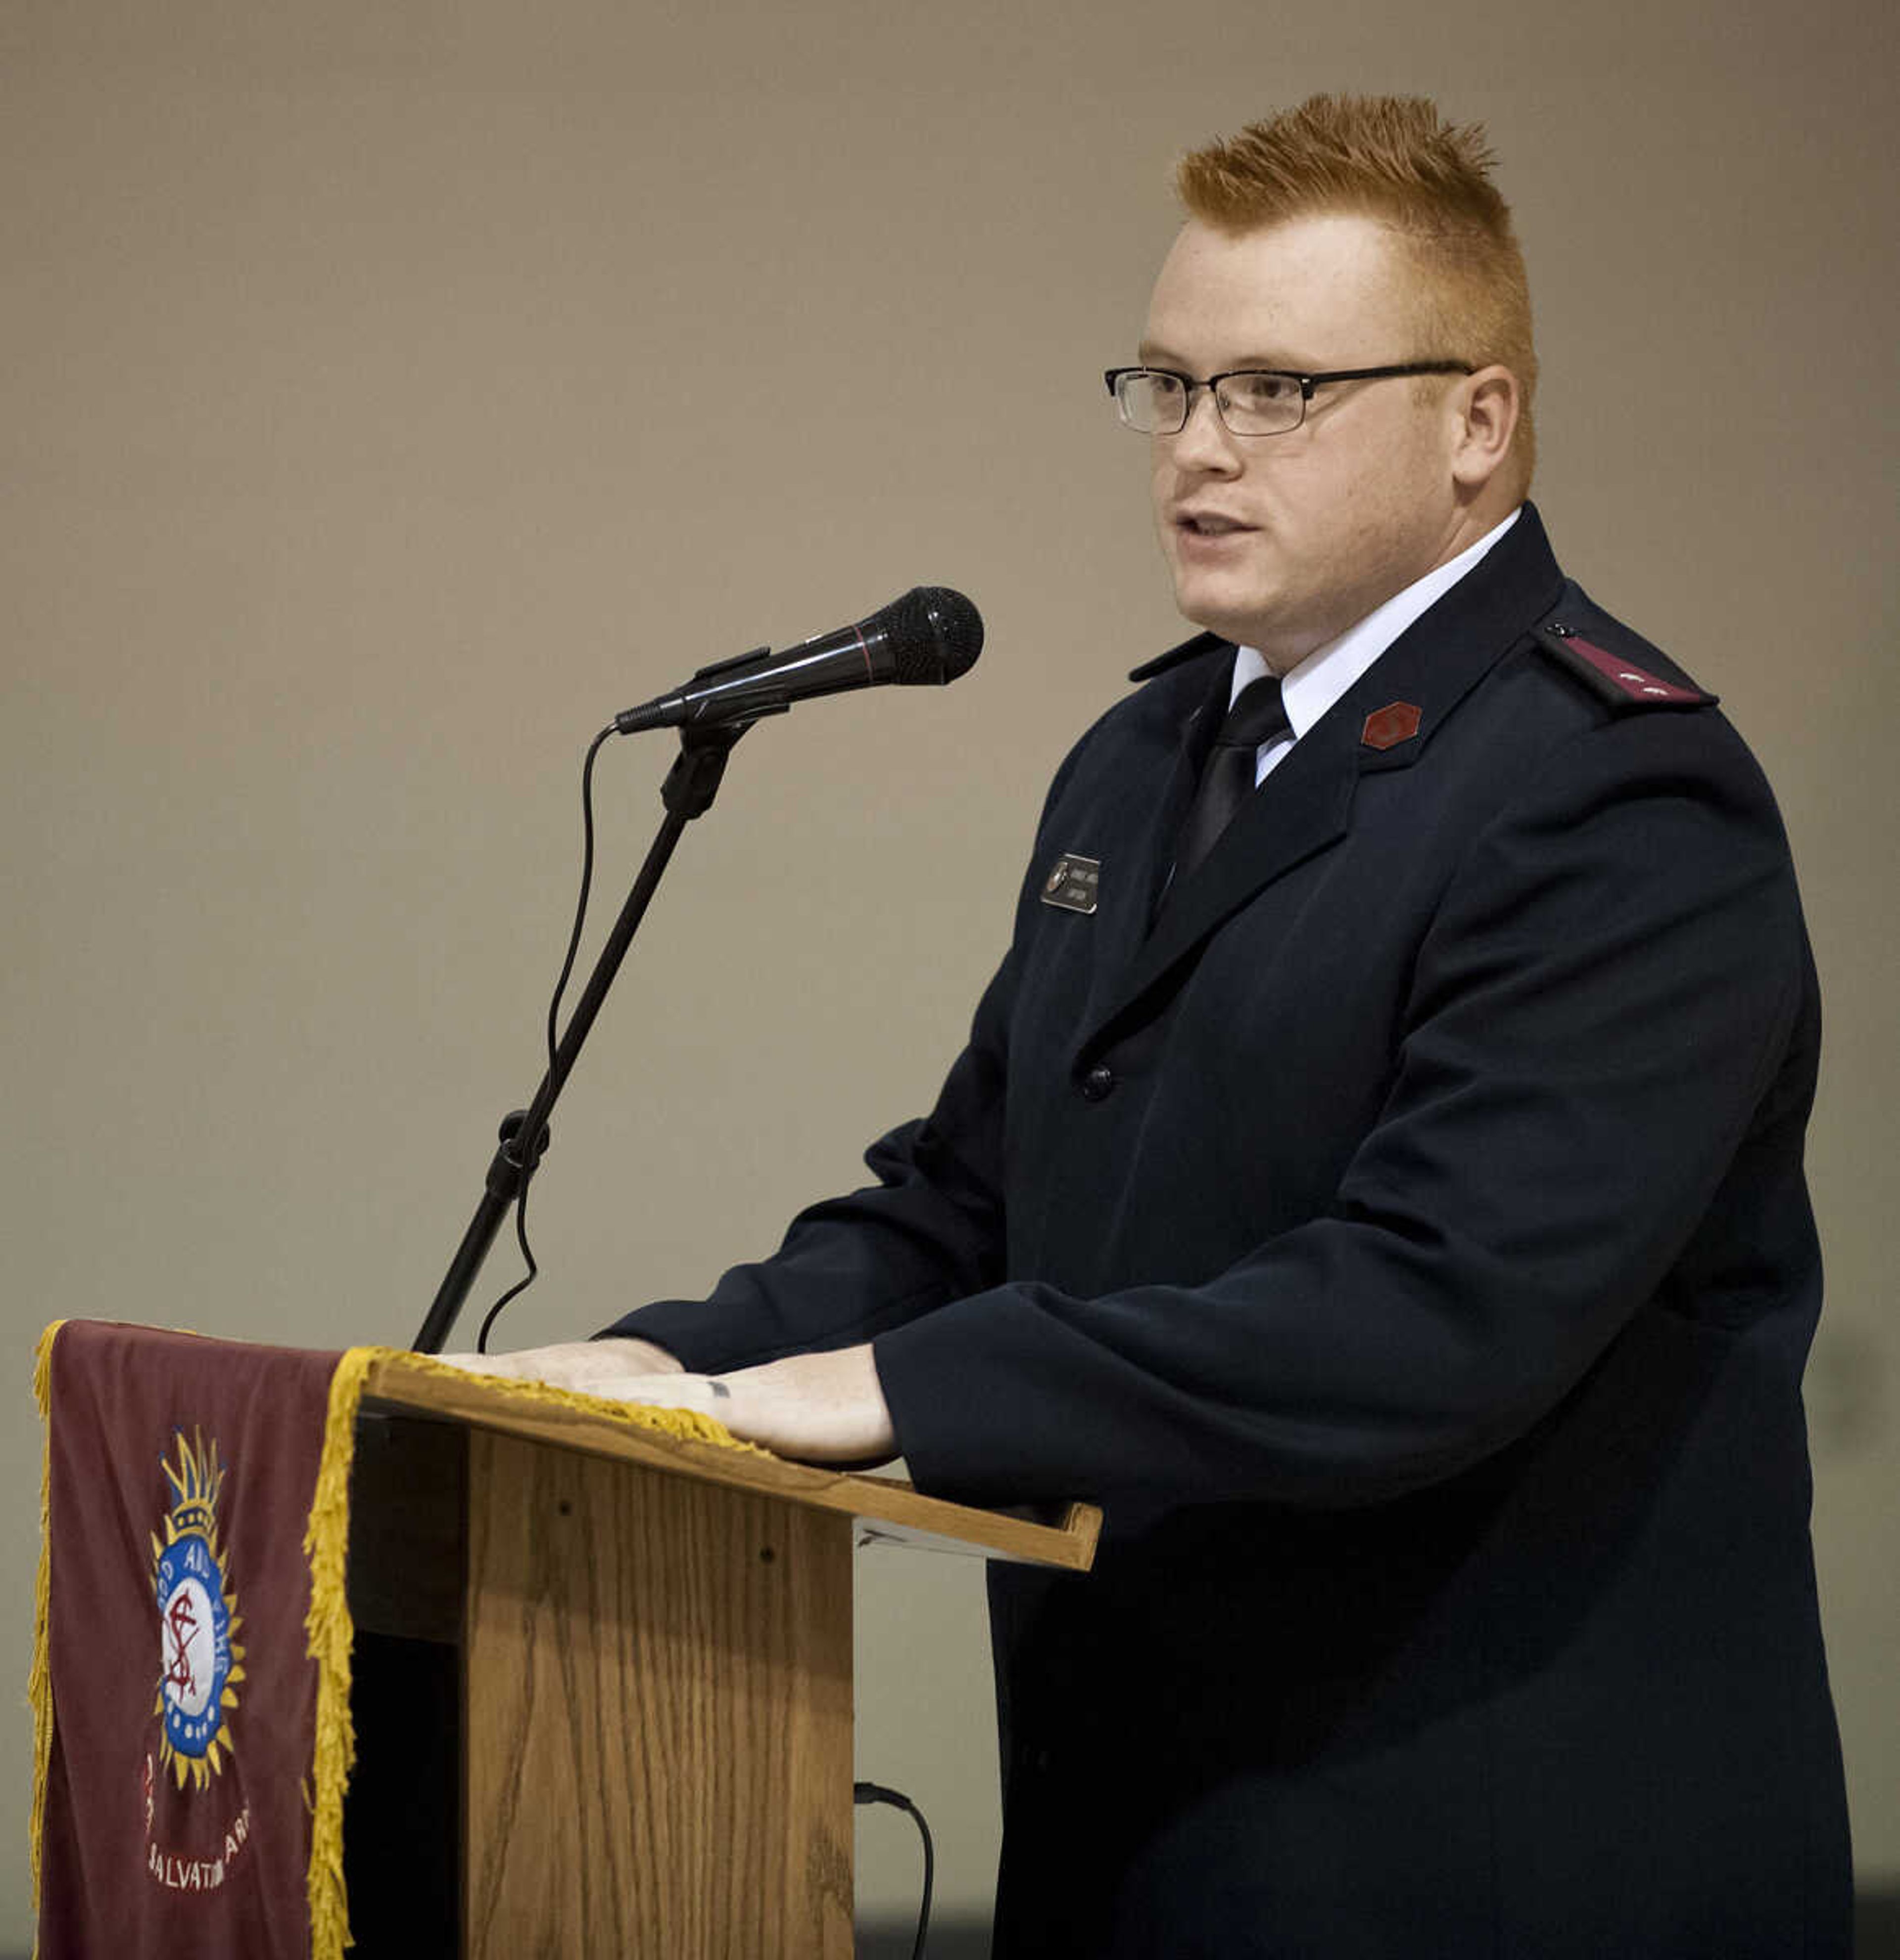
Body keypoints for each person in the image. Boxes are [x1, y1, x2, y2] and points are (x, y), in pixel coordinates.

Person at [454, 94, 1851, 1958]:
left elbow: (1426, 1315)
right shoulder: (1146, 756)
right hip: (1151, 1836)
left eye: (1277, 391)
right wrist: (656, 1374)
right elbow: (967, 1202)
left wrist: (905, 1395)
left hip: (1479, 1863)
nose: (1199, 448)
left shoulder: (1617, 794)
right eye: (1168, 387)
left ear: (1479, 423)